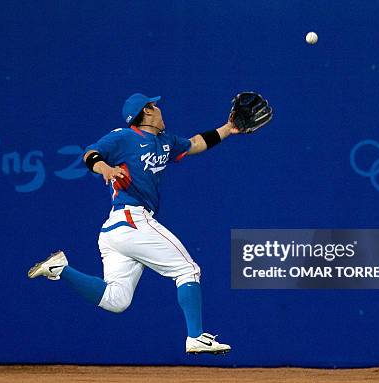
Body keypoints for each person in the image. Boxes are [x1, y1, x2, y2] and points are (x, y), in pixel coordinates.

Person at [28, 93, 241, 354]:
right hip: (131, 219)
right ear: (147, 111)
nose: (161, 107)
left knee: (116, 300)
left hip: (115, 231)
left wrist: (229, 129)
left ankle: (61, 269)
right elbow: (91, 154)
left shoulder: (165, 140)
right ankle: (195, 337)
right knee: (188, 270)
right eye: (155, 104)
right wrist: (104, 168)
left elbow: (196, 143)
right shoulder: (124, 137)